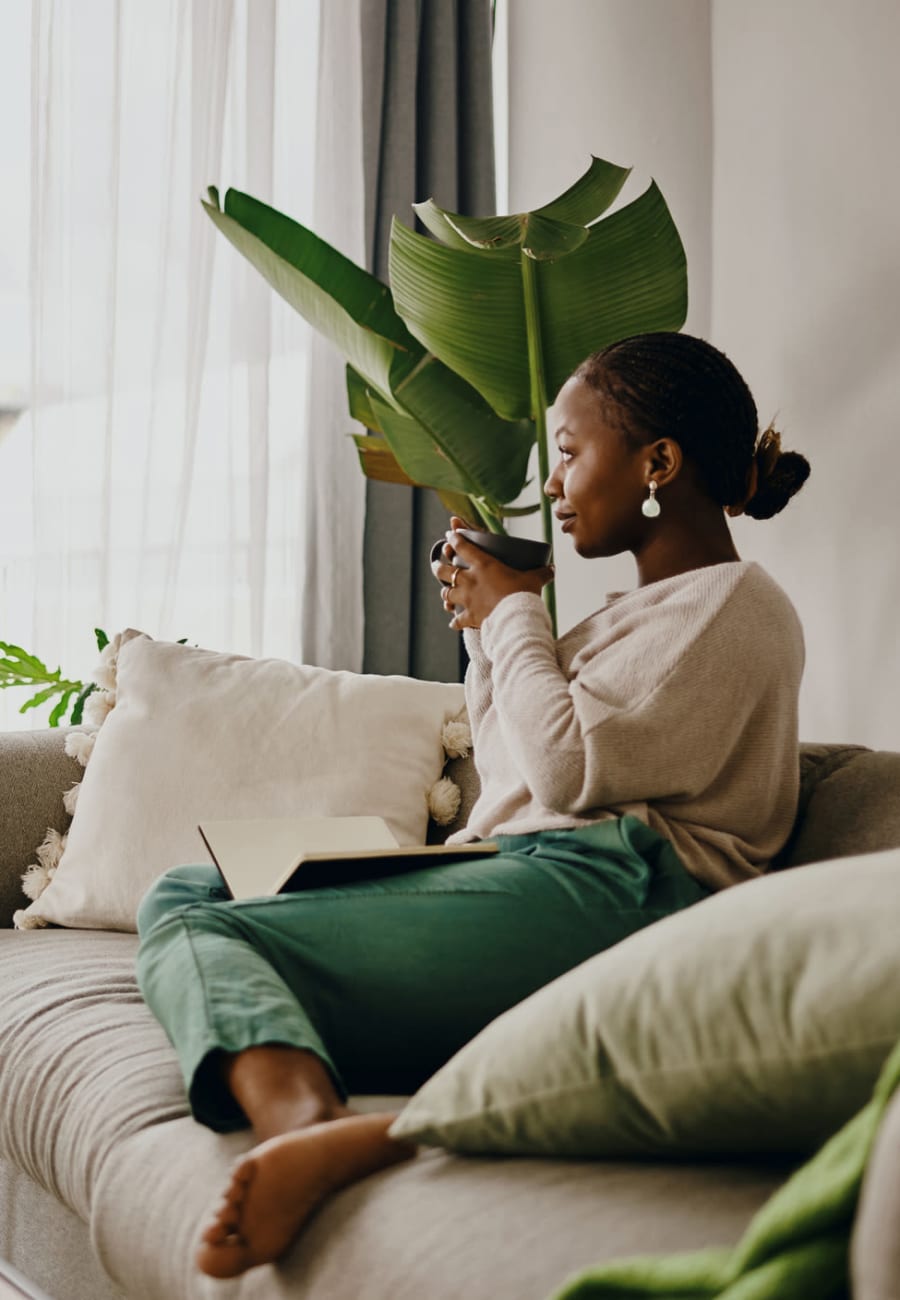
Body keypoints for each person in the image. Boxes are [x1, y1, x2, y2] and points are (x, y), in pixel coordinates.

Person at [135, 331, 810, 1280]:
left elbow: (573, 776)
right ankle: (310, 1106)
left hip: (626, 892)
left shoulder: (737, 607)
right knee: (185, 893)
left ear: (658, 462)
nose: (558, 482)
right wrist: (490, 640)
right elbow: (515, 781)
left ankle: (307, 1128)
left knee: (225, 935)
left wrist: (516, 615)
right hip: (538, 872)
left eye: (571, 453)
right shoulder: (629, 616)